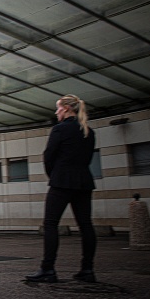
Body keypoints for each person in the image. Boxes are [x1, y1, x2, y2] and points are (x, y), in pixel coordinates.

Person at [26, 94, 97, 283]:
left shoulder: (59, 129)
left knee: (50, 224)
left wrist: (54, 175)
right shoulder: (88, 131)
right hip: (83, 181)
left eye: (58, 108)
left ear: (66, 109)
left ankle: (48, 269)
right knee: (86, 225)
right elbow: (88, 158)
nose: (56, 111)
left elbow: (48, 156)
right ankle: (87, 269)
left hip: (61, 181)